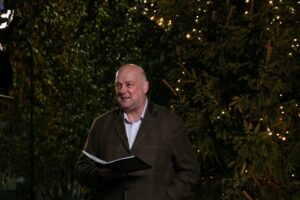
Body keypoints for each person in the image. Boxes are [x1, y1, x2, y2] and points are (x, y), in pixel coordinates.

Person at [75, 64, 200, 200]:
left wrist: (168, 197)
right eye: (118, 85)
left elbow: (190, 171)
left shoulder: (170, 123)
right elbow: (82, 168)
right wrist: (102, 175)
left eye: (129, 84)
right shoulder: (101, 124)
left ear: (145, 87)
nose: (122, 90)